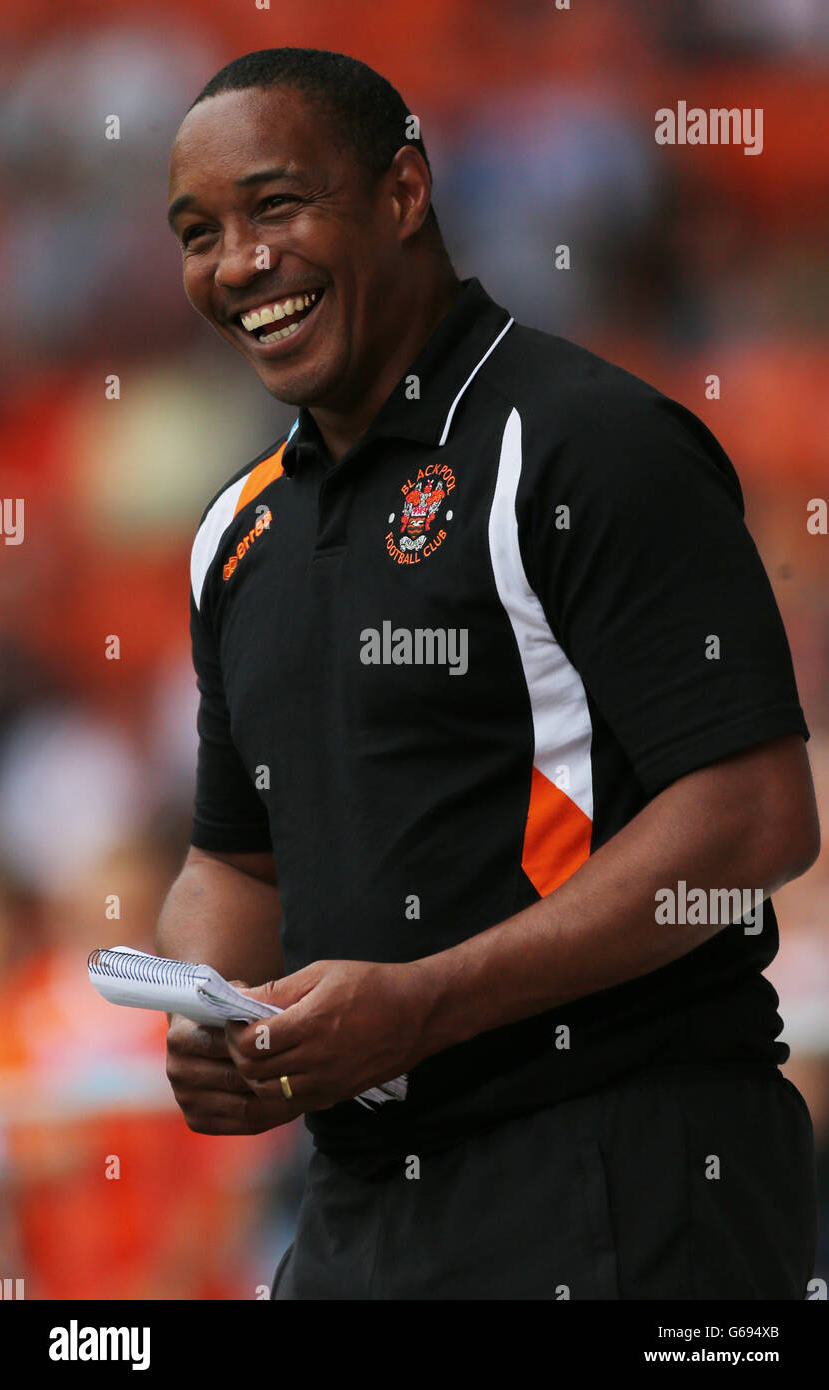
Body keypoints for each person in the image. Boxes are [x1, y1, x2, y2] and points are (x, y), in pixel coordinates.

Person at [160, 47, 820, 1299]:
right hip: (357, 1197)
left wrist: (423, 1003)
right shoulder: (236, 532)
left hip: (619, 1165)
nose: (237, 262)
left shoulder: (587, 442)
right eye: (199, 232)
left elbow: (753, 816)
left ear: (402, 194)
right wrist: (217, 1016)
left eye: (276, 206)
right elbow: (229, 861)